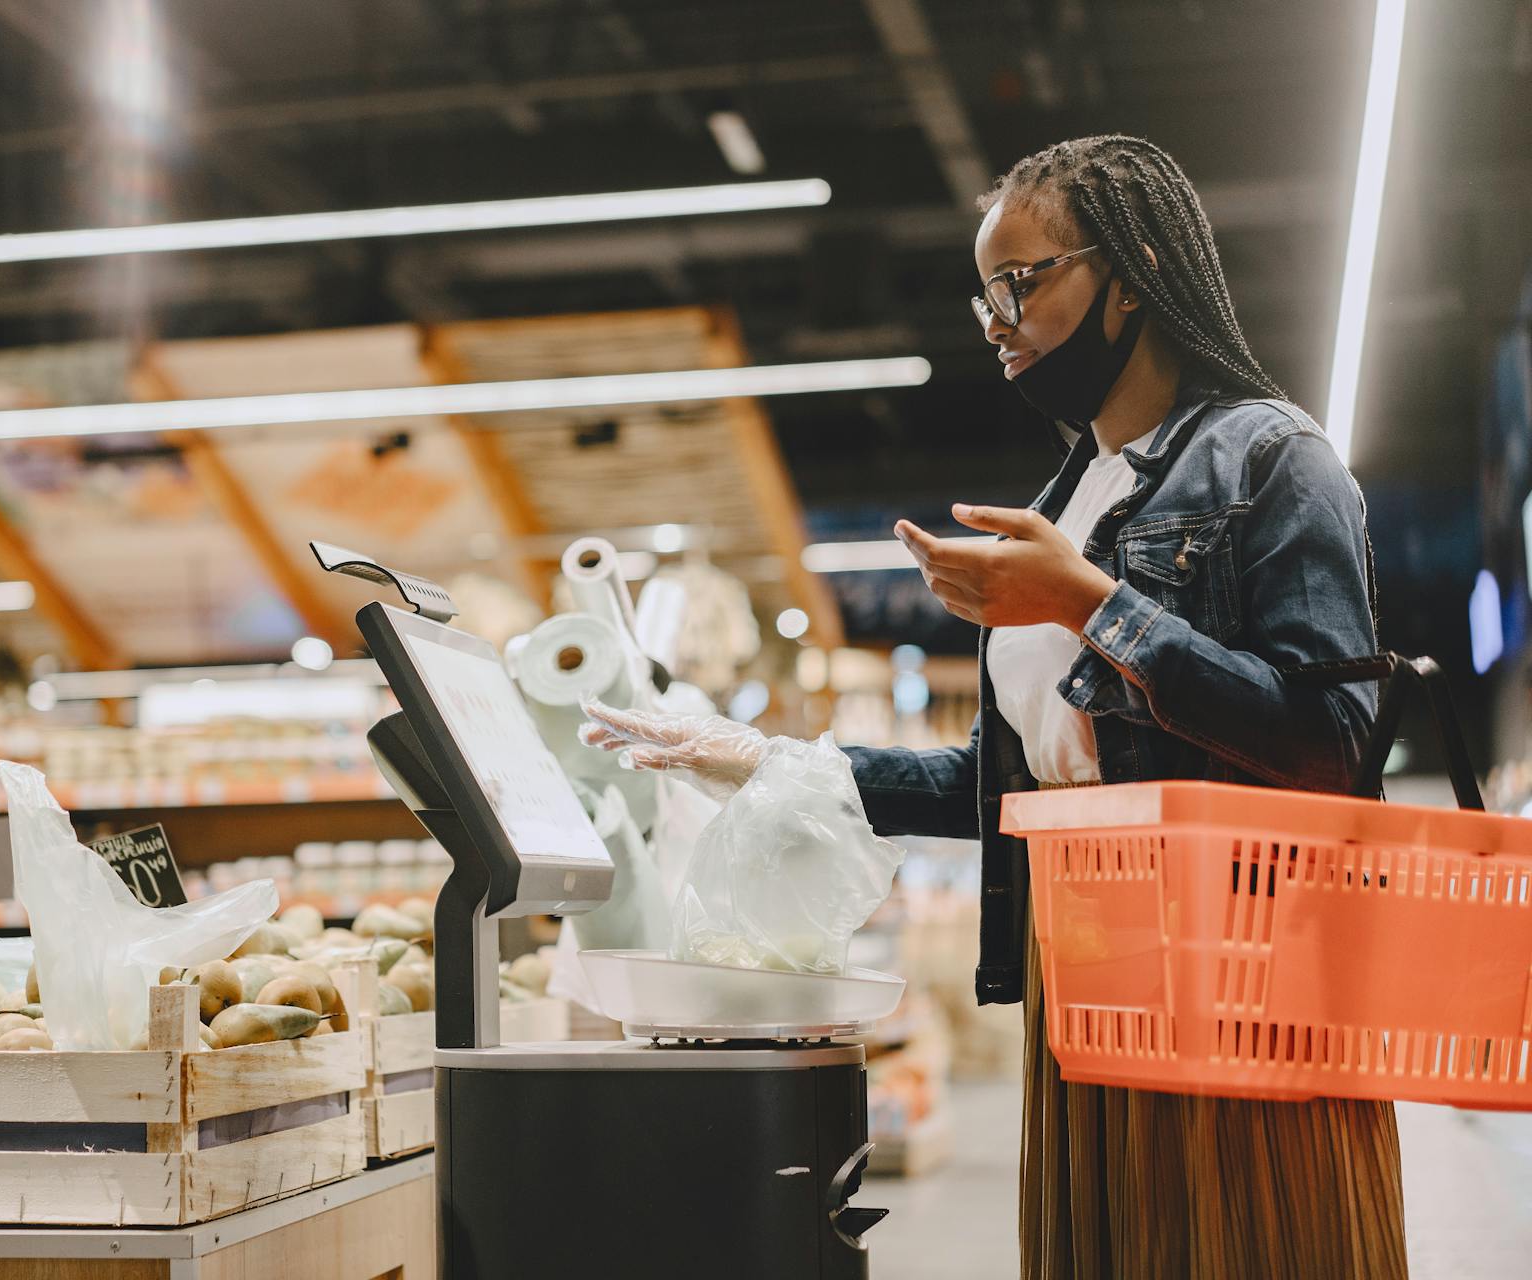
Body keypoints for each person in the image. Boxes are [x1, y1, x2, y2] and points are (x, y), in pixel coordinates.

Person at [582, 135, 1407, 1279]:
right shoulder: (1068, 497)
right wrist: (771, 758)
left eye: (1021, 281)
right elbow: (999, 785)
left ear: (1134, 267)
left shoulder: (1271, 461)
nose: (995, 318)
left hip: (1240, 981)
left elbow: (1331, 746)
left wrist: (1089, 604)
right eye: (987, 292)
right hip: (1084, 985)